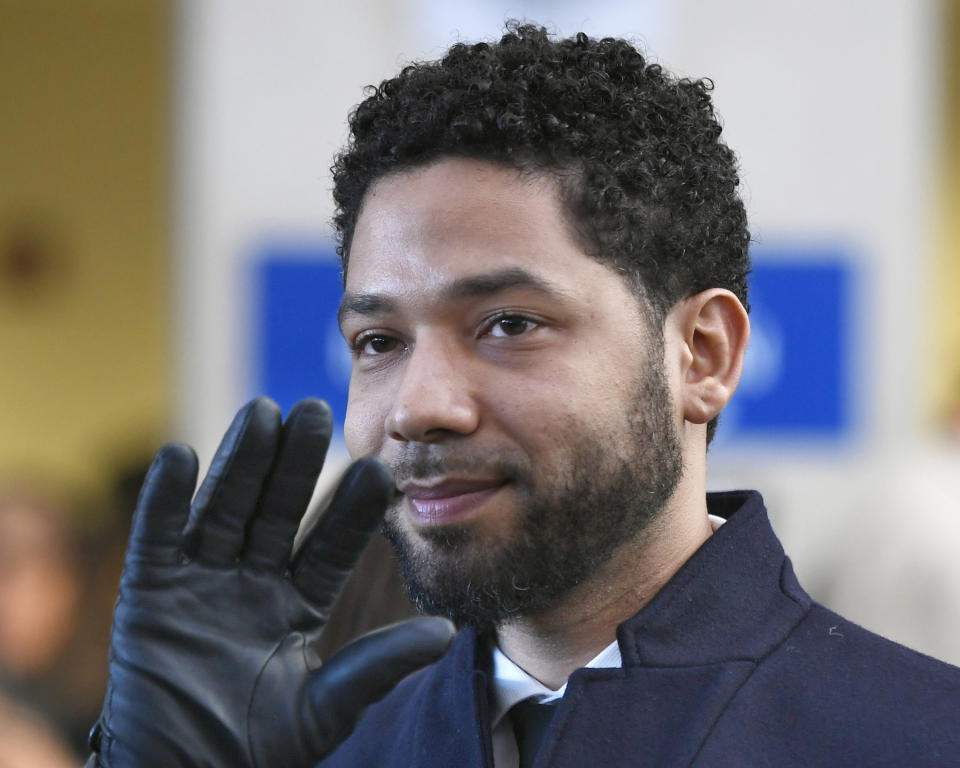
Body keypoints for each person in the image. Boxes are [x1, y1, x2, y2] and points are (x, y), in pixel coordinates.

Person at [87, 23, 960, 767]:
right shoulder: (350, 752)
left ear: (702, 354)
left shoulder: (919, 737)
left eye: (508, 324)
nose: (419, 406)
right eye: (378, 342)